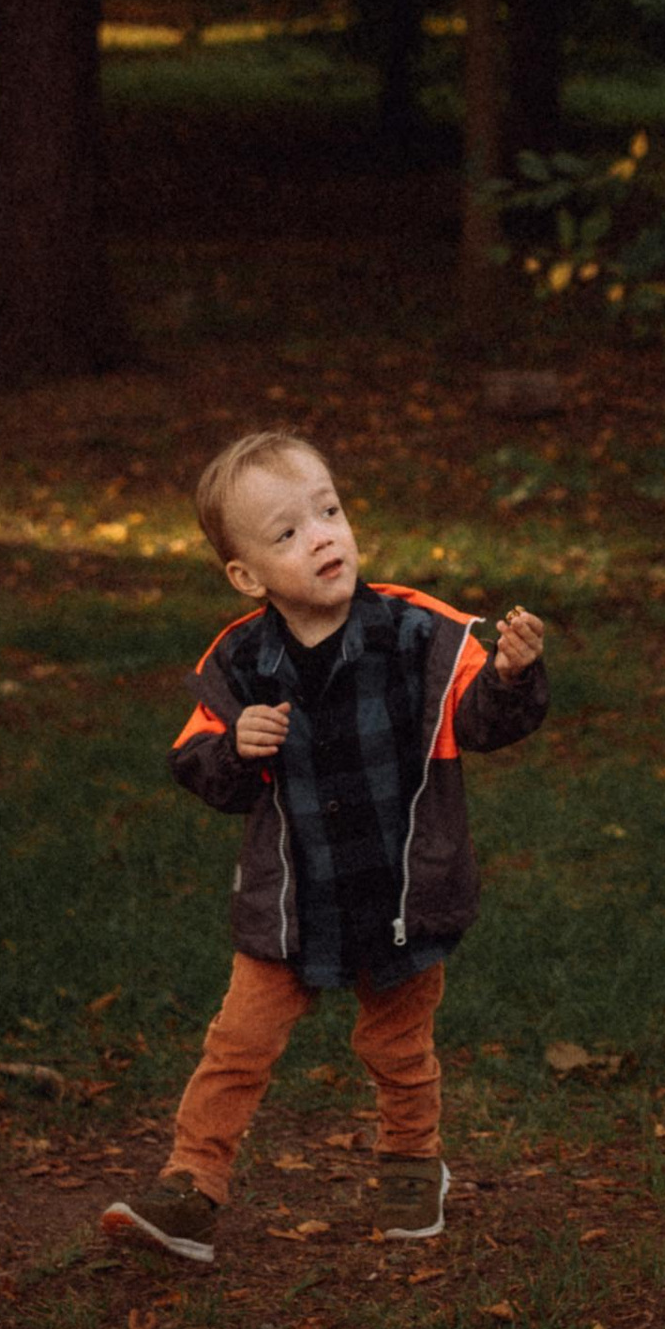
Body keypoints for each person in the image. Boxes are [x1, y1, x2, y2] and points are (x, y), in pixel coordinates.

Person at [101, 427, 547, 1265]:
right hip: (293, 901)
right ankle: (192, 1186)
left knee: (397, 1046)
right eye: (287, 534)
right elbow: (194, 764)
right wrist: (238, 745)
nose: (321, 537)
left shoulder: (423, 633)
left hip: (402, 891)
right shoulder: (237, 662)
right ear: (246, 575)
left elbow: (483, 720)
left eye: (329, 511)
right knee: (237, 1044)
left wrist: (511, 677)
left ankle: (414, 1167)